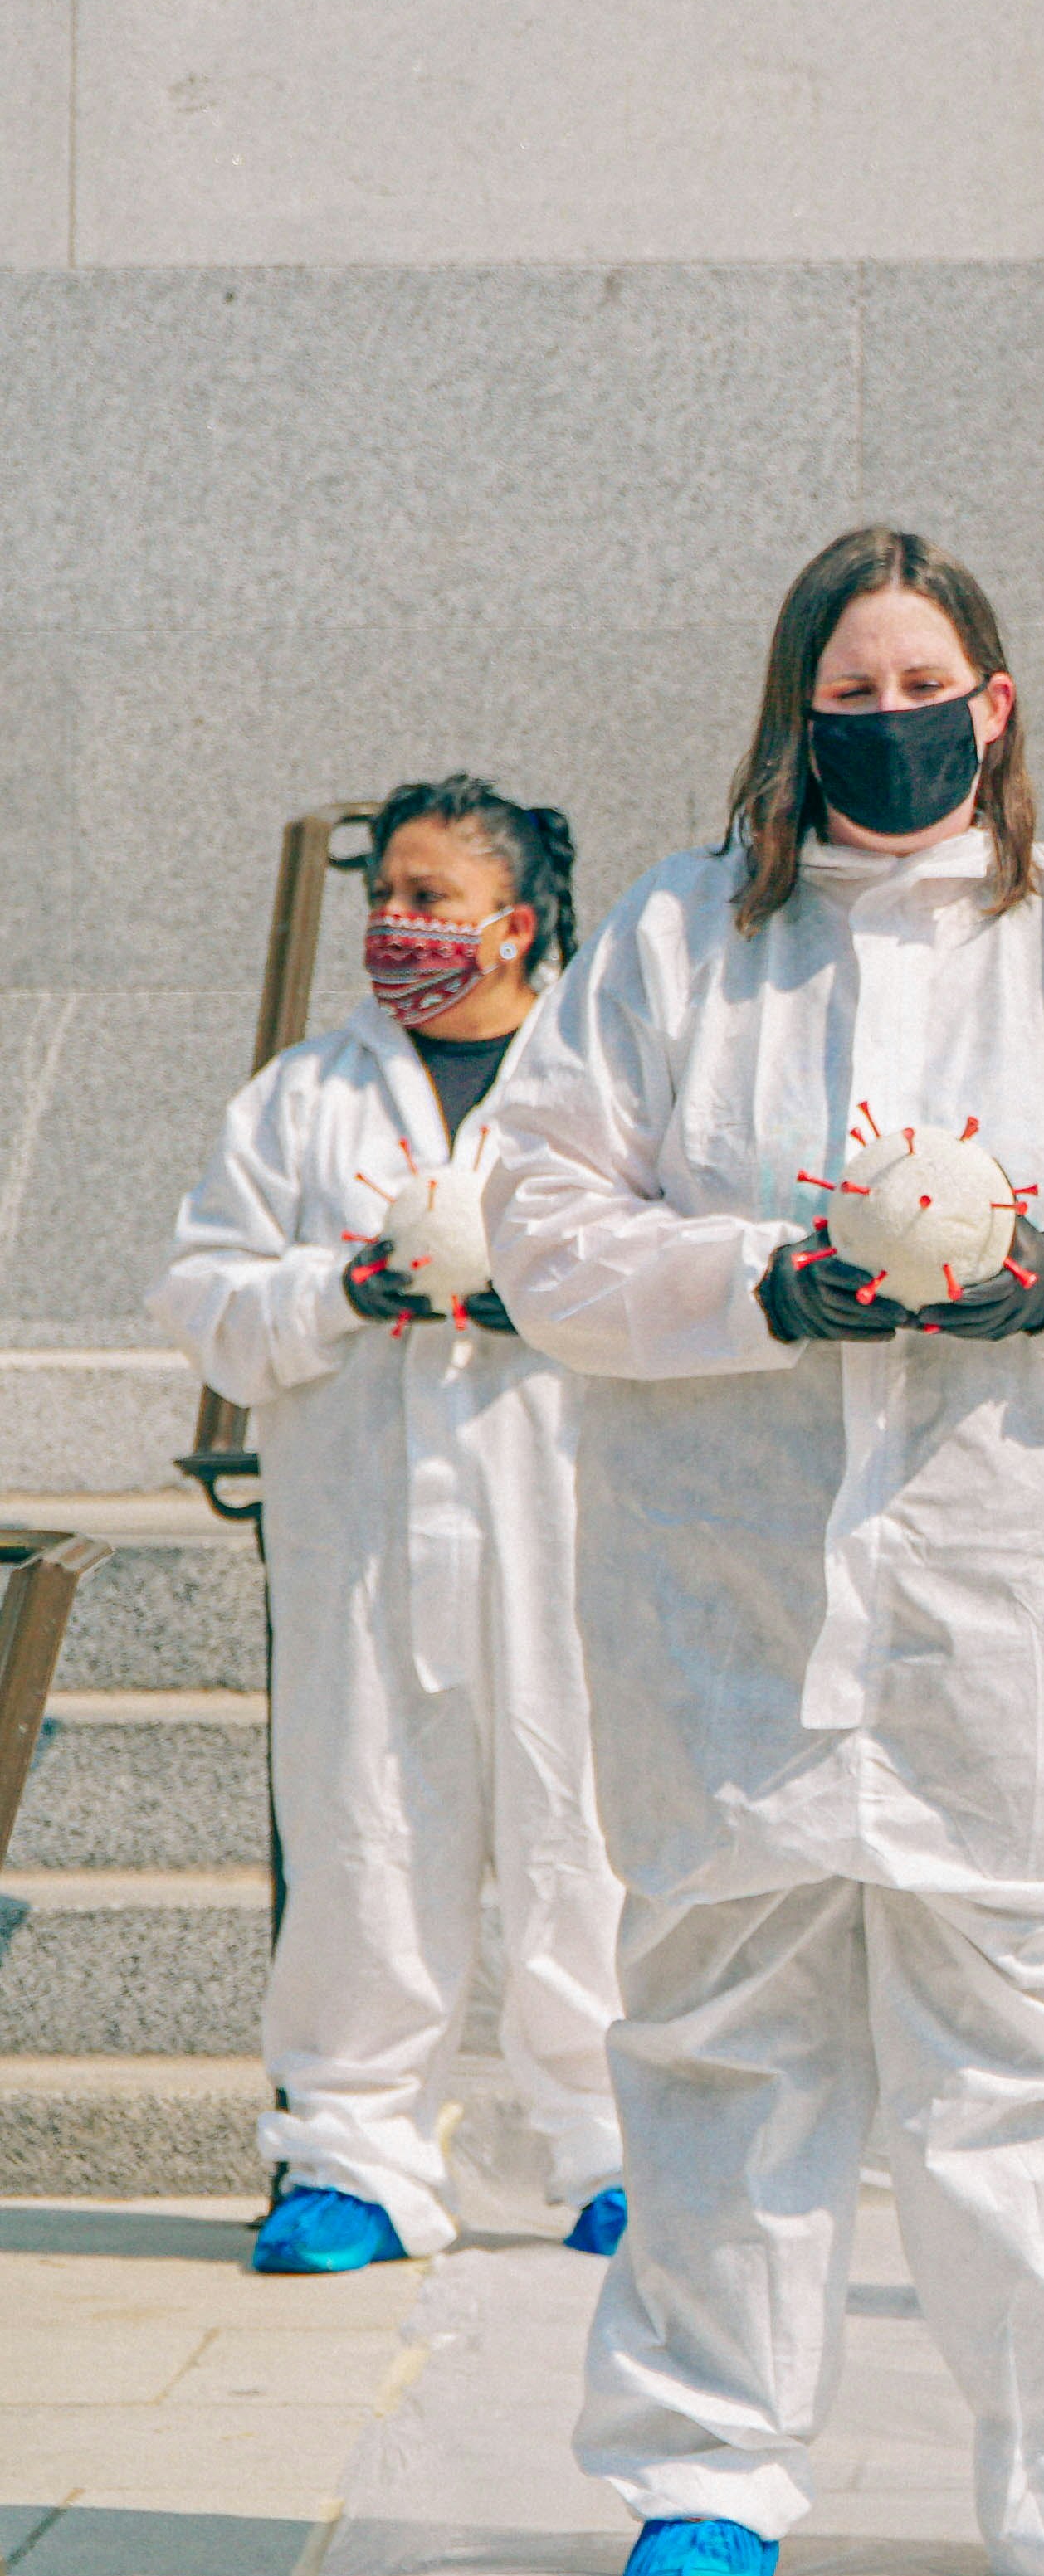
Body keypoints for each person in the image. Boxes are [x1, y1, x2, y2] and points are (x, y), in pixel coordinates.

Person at [484, 526, 1044, 2576]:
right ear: (794, 717)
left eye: (921, 689)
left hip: (1014, 1591)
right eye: (847, 700)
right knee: (726, 2024)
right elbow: (546, 1224)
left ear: (997, 706)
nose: (890, 728)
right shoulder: (676, 944)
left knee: (1035, 2030)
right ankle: (710, 2466)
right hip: (729, 1587)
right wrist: (769, 1283)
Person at [151, 777, 625, 2276]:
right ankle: (352, 2153)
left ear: (517, 923)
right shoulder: (302, 1097)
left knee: (584, 1831)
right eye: (386, 897)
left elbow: (671, 1273)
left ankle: (616, 2144)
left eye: (431, 898)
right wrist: (343, 1291)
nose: (398, 926)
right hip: (363, 1536)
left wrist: (534, 1298)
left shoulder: (603, 1083)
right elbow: (210, 1303)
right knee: (365, 1830)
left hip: (568, 1527)